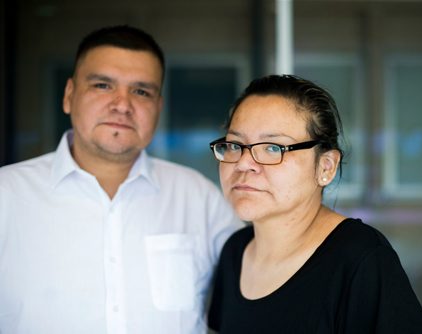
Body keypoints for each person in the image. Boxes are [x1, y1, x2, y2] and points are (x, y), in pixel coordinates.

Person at [0, 25, 241, 334]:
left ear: (158, 107)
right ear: (69, 96)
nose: (122, 104)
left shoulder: (199, 197)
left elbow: (264, 280)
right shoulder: (7, 195)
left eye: (141, 91)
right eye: (103, 85)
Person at [207, 74, 422, 333]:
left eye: (272, 148)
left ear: (325, 167)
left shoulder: (360, 258)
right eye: (234, 145)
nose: (243, 163)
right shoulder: (234, 252)